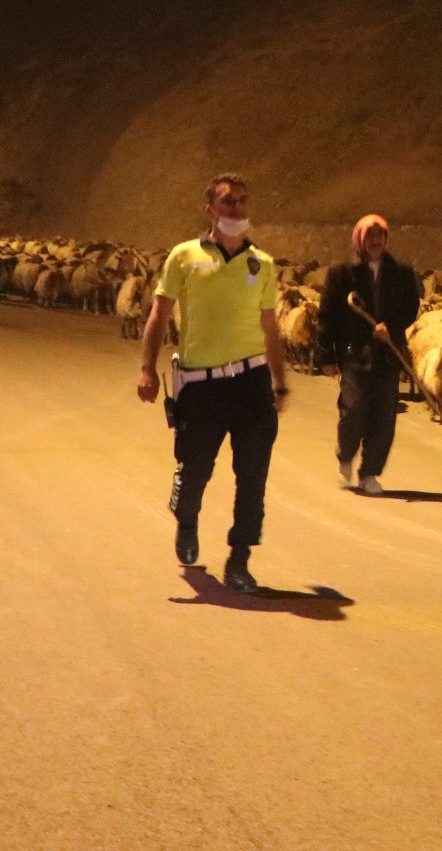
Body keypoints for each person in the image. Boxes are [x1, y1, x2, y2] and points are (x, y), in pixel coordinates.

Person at [136, 173, 289, 593]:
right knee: (195, 471)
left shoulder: (264, 264)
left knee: (252, 476)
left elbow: (270, 326)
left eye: (241, 201)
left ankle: (239, 558)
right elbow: (159, 315)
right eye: (227, 202)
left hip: (251, 383)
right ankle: (187, 520)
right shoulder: (184, 257)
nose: (236, 209)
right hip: (201, 387)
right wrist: (147, 369)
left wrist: (279, 382)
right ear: (210, 209)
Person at [317, 214, 420, 496]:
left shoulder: (401, 271)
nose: (375, 241)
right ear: (360, 239)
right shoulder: (342, 273)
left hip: (387, 353)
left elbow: (412, 306)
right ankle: (346, 453)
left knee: (384, 415)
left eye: (380, 236)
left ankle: (370, 472)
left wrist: (394, 326)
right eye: (370, 236)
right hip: (354, 352)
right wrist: (325, 355)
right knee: (354, 409)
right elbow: (328, 314)